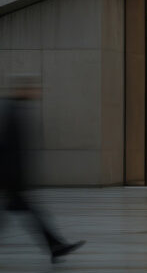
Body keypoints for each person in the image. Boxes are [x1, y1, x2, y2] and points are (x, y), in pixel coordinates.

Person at [0, 75, 85, 263]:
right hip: (10, 180)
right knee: (32, 214)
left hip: (11, 180)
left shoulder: (15, 111)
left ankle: (55, 245)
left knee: (31, 214)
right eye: (31, 90)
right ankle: (55, 245)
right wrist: (14, 177)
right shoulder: (11, 112)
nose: (35, 93)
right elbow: (7, 150)